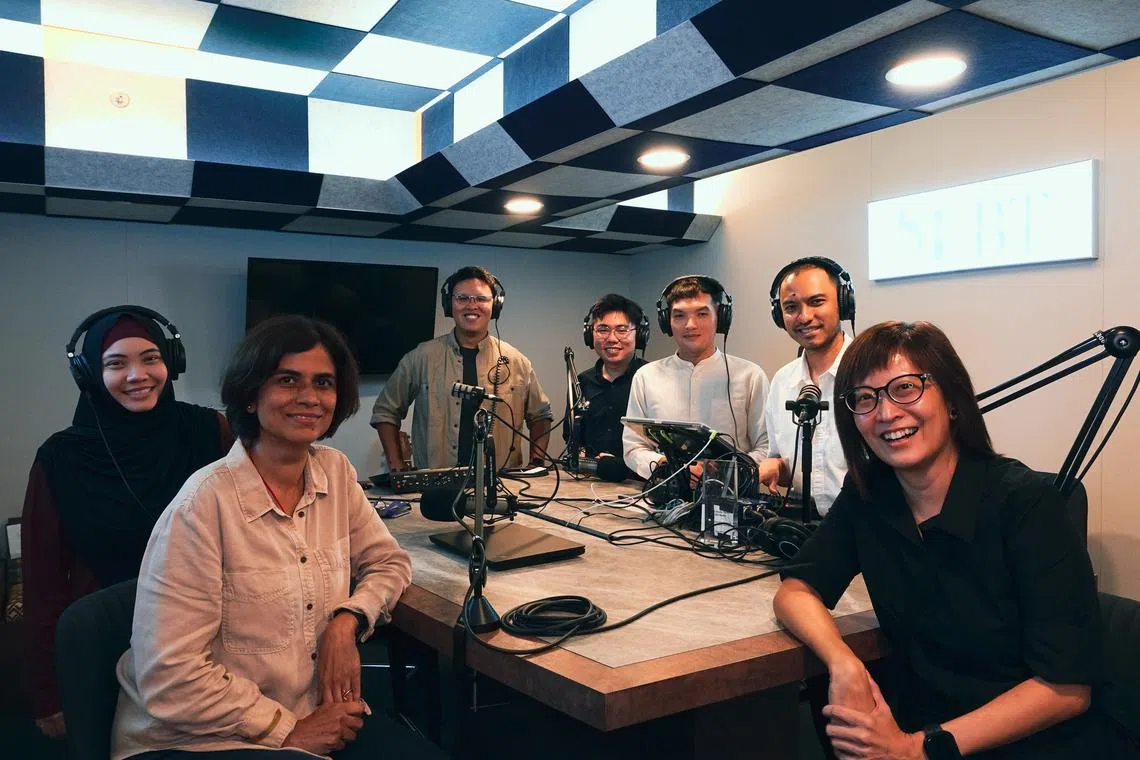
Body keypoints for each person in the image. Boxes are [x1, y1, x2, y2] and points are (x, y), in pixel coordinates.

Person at [773, 321, 1137, 759]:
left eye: (905, 388)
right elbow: (796, 590)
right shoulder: (871, 493)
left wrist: (916, 749)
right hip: (922, 728)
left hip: (1035, 743)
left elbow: (1066, 688)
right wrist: (843, 662)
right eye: (865, 399)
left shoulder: (1026, 503)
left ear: (952, 400)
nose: (886, 413)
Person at [111, 315, 421, 760]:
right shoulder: (202, 506)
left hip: (311, 713)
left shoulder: (335, 471)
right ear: (252, 395)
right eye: (287, 380)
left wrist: (347, 620)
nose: (309, 397)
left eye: (324, 383)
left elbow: (389, 563)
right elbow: (170, 676)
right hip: (198, 738)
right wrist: (286, 731)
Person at [22, 306, 232, 739]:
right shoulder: (60, 458)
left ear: (170, 363)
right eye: (116, 363)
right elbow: (42, 580)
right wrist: (49, 693)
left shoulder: (211, 431)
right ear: (88, 375)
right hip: (108, 643)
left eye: (151, 358)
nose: (138, 374)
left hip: (212, 638)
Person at [371, 265, 553, 471]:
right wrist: (397, 466)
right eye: (462, 298)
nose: (471, 305)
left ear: (495, 305)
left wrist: (536, 464)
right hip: (436, 487)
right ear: (449, 304)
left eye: (481, 299)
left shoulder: (517, 361)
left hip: (501, 484)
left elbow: (541, 415)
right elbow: (385, 411)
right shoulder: (420, 357)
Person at [623, 275, 769, 482]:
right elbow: (633, 447)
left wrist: (727, 471)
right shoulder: (646, 377)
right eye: (679, 316)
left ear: (720, 317)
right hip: (663, 496)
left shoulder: (750, 376)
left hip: (732, 499)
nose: (690, 325)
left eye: (702, 314)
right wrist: (668, 466)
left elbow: (766, 447)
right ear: (667, 322)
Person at [758, 257, 856, 517]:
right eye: (791, 307)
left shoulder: (872, 373)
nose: (804, 317)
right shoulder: (782, 381)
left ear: (844, 303)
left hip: (866, 528)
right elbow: (787, 465)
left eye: (816, 302)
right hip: (803, 525)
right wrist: (777, 466)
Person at [564, 294, 649, 479]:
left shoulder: (652, 379)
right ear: (590, 334)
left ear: (640, 334)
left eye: (622, 330)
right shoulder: (581, 382)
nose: (611, 338)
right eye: (603, 329)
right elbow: (570, 435)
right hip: (590, 482)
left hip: (642, 484)